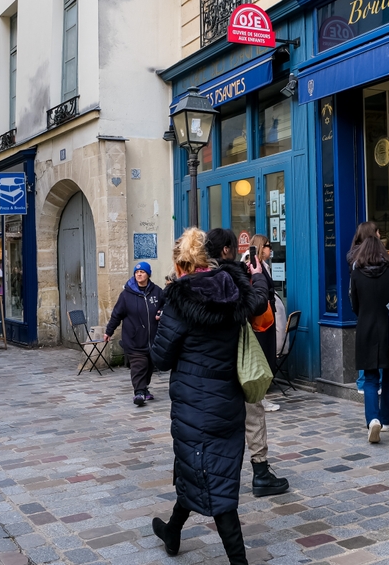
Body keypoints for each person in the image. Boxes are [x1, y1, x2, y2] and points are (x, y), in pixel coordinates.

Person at [150, 228, 267, 564]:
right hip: (227, 402)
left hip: (195, 408)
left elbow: (160, 359)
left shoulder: (179, 300)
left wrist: (161, 325)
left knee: (214, 485)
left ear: (181, 263)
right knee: (202, 470)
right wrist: (258, 276)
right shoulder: (232, 289)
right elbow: (258, 301)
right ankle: (172, 531)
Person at [205, 228, 289, 498]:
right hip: (237, 357)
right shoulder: (230, 278)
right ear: (226, 250)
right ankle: (261, 473)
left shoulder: (195, 279)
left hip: (209, 365)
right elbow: (257, 304)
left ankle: (214, 476)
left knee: (216, 419)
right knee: (253, 412)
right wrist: (257, 276)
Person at [348, 221, 389, 444]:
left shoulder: (357, 272)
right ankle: (388, 419)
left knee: (371, 377)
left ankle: (373, 419)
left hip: (366, 328)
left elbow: (354, 304)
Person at [104, 261, 164, 406]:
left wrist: (162, 312)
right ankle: (139, 393)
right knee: (139, 365)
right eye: (137, 272)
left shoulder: (157, 292)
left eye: (142, 272)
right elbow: (116, 315)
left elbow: (166, 305)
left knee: (149, 366)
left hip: (153, 339)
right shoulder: (126, 295)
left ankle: (144, 388)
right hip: (134, 339)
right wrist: (109, 331)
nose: (139, 274)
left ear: (148, 274)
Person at [243, 234, 281, 413]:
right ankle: (260, 398)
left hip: (266, 317)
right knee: (262, 357)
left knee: (267, 355)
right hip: (258, 319)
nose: (270, 249)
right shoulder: (251, 265)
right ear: (259, 246)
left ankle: (261, 397)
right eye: (267, 245)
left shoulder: (263, 265)